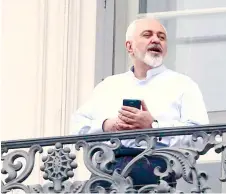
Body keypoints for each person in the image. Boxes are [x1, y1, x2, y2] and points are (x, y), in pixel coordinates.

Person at [70, 17, 209, 190]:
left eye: (161, 37)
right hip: (107, 176)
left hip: (157, 176)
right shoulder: (108, 86)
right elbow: (77, 128)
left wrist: (153, 126)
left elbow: (200, 136)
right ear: (129, 46)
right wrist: (108, 126)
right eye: (147, 35)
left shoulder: (183, 85)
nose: (156, 40)